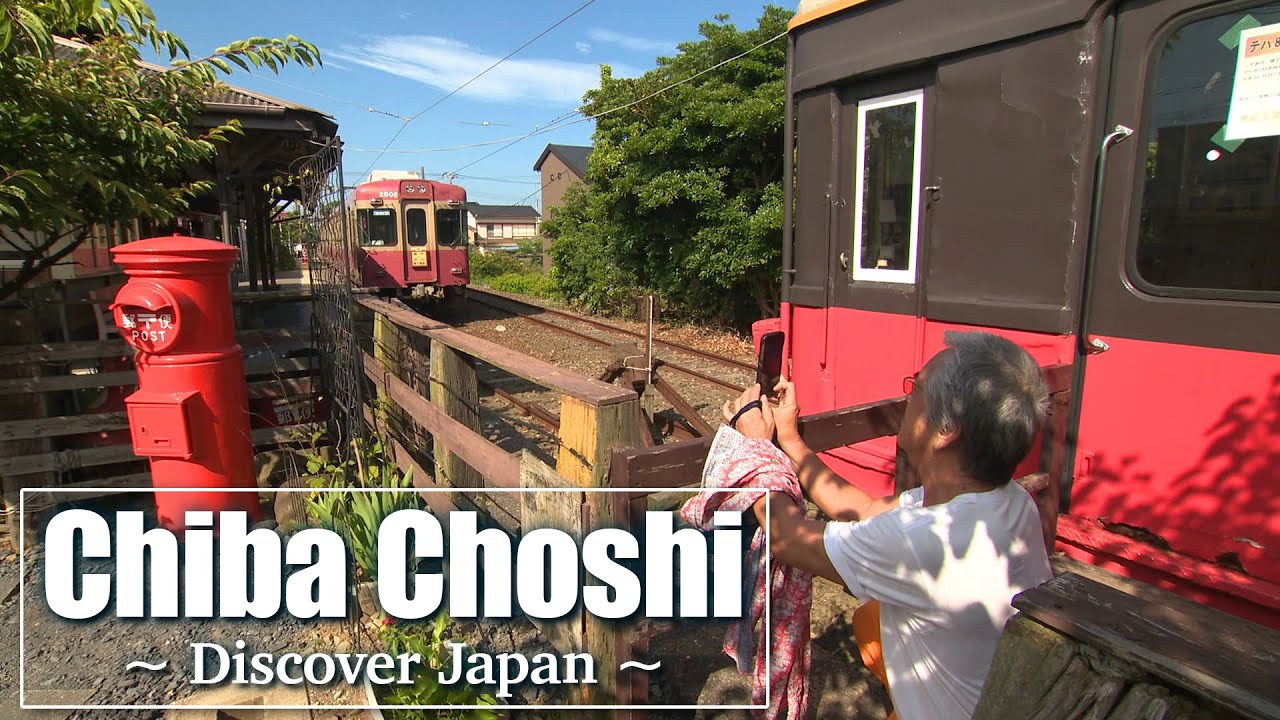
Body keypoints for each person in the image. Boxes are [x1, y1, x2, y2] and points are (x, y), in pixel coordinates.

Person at [724, 330, 1054, 720]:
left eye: (917, 388)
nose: (908, 397)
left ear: (946, 431)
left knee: (871, 617)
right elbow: (864, 509)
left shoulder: (925, 543)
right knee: (872, 618)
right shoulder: (1007, 501)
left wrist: (756, 448)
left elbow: (787, 539)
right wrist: (791, 440)